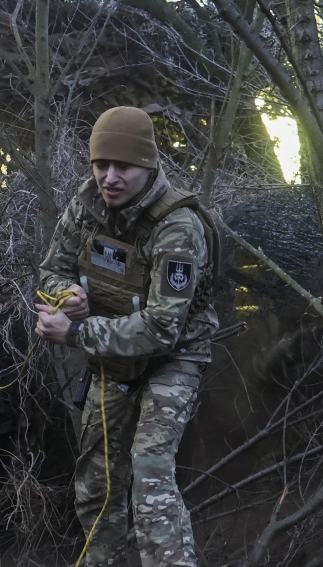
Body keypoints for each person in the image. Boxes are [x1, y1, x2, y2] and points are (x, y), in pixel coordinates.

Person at [35, 106, 219, 567]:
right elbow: (50, 272)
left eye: (124, 166)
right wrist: (69, 294)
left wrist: (76, 330)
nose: (110, 177)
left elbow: (161, 328)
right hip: (112, 360)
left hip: (171, 360)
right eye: (101, 165)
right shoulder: (86, 207)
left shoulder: (177, 228)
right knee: (97, 484)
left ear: (149, 165)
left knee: (150, 478)